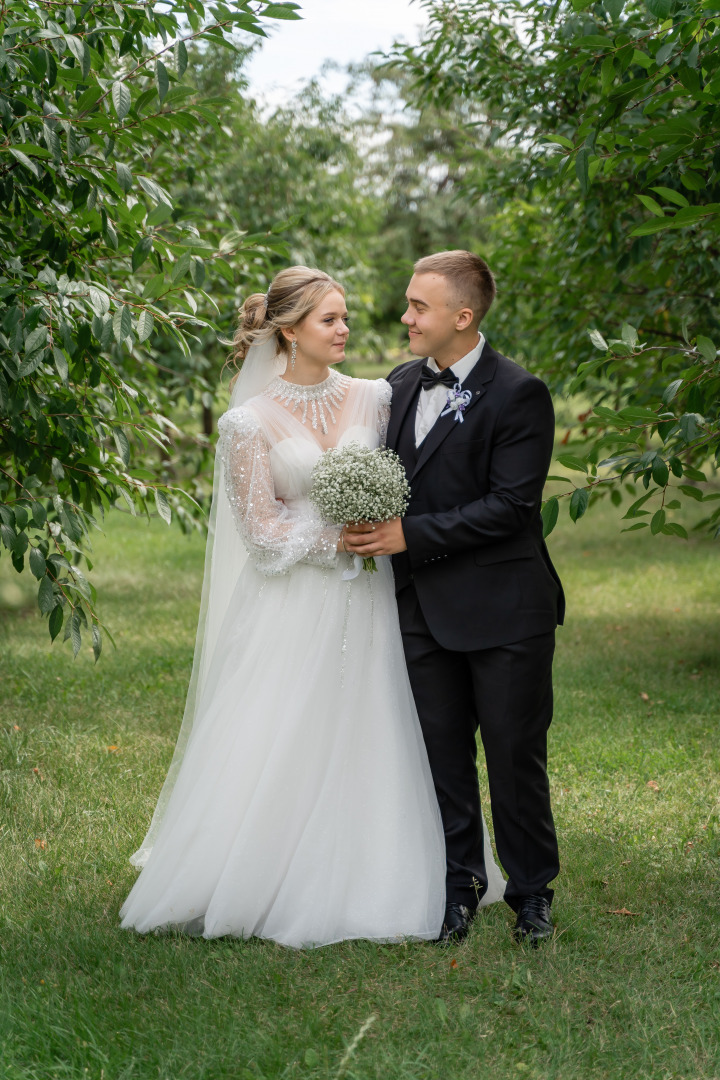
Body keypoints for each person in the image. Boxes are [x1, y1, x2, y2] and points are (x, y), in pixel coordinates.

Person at [119, 265, 505, 948]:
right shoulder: (247, 423)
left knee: (381, 721)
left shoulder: (377, 397)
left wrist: (382, 534)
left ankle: (394, 867)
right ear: (289, 331)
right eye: (330, 319)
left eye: (346, 316)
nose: (346, 329)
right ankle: (263, 869)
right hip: (293, 603)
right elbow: (262, 534)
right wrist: (339, 538)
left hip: (374, 599)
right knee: (281, 731)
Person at [344, 251, 565, 945]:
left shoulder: (519, 393)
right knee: (439, 755)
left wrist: (408, 534)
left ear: (462, 318)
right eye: (408, 304)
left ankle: (532, 894)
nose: (405, 317)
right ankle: (458, 887)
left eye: (419, 307)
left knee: (512, 757)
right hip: (420, 609)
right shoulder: (400, 384)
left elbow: (511, 506)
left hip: (505, 611)